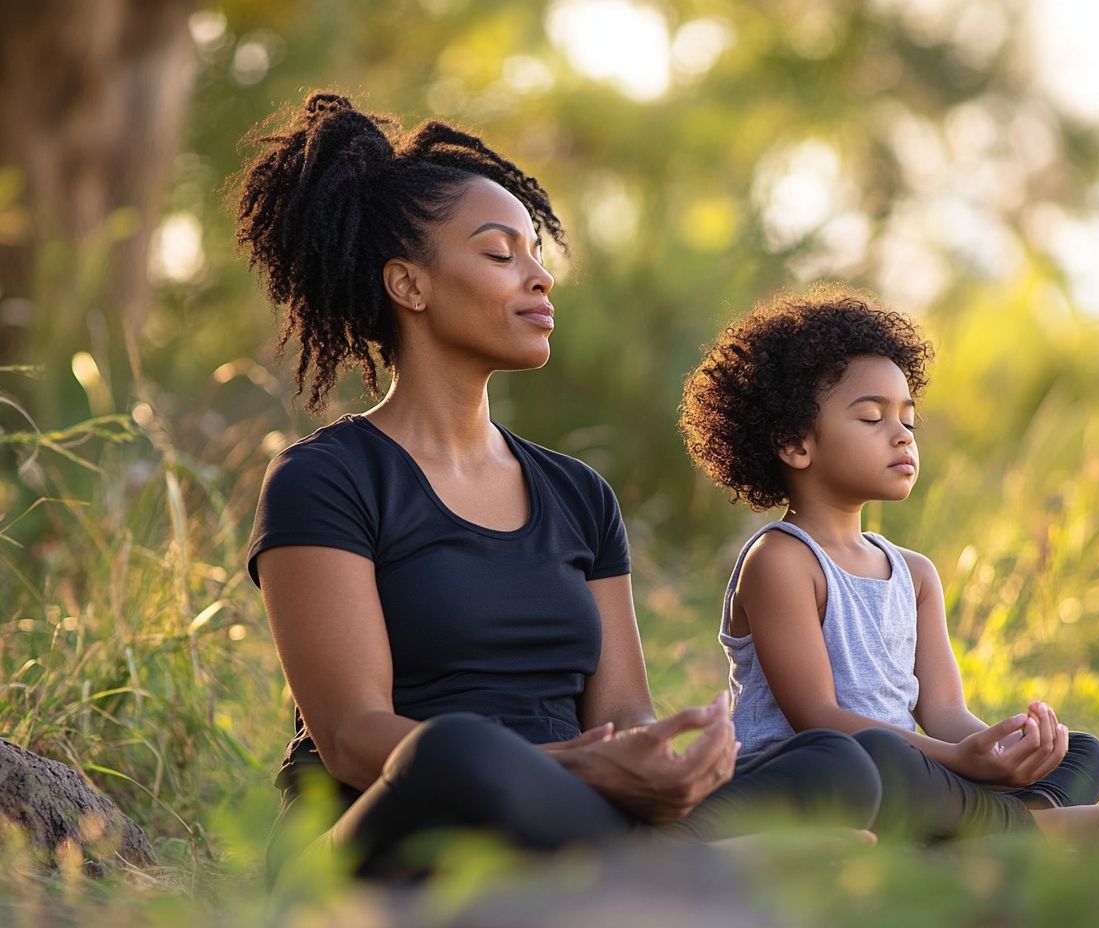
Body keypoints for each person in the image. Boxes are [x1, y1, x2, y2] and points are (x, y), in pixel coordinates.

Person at [235, 93, 884, 885]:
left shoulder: (578, 494)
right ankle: (695, 873)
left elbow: (624, 714)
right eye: (501, 254)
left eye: (536, 252)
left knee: (834, 763)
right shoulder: (325, 479)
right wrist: (577, 770)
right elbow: (353, 737)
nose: (541, 277)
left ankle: (657, 868)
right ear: (409, 285)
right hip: (395, 820)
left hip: (576, 810)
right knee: (455, 747)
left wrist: (662, 760)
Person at [678, 284, 1099, 841]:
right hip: (814, 776)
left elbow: (946, 712)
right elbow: (819, 719)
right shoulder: (781, 560)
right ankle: (1017, 830)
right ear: (795, 444)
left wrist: (1000, 748)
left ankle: (1000, 821)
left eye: (908, 419)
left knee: (1083, 751)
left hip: (909, 772)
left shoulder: (914, 573)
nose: (901, 435)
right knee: (874, 753)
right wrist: (959, 761)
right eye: (873, 418)